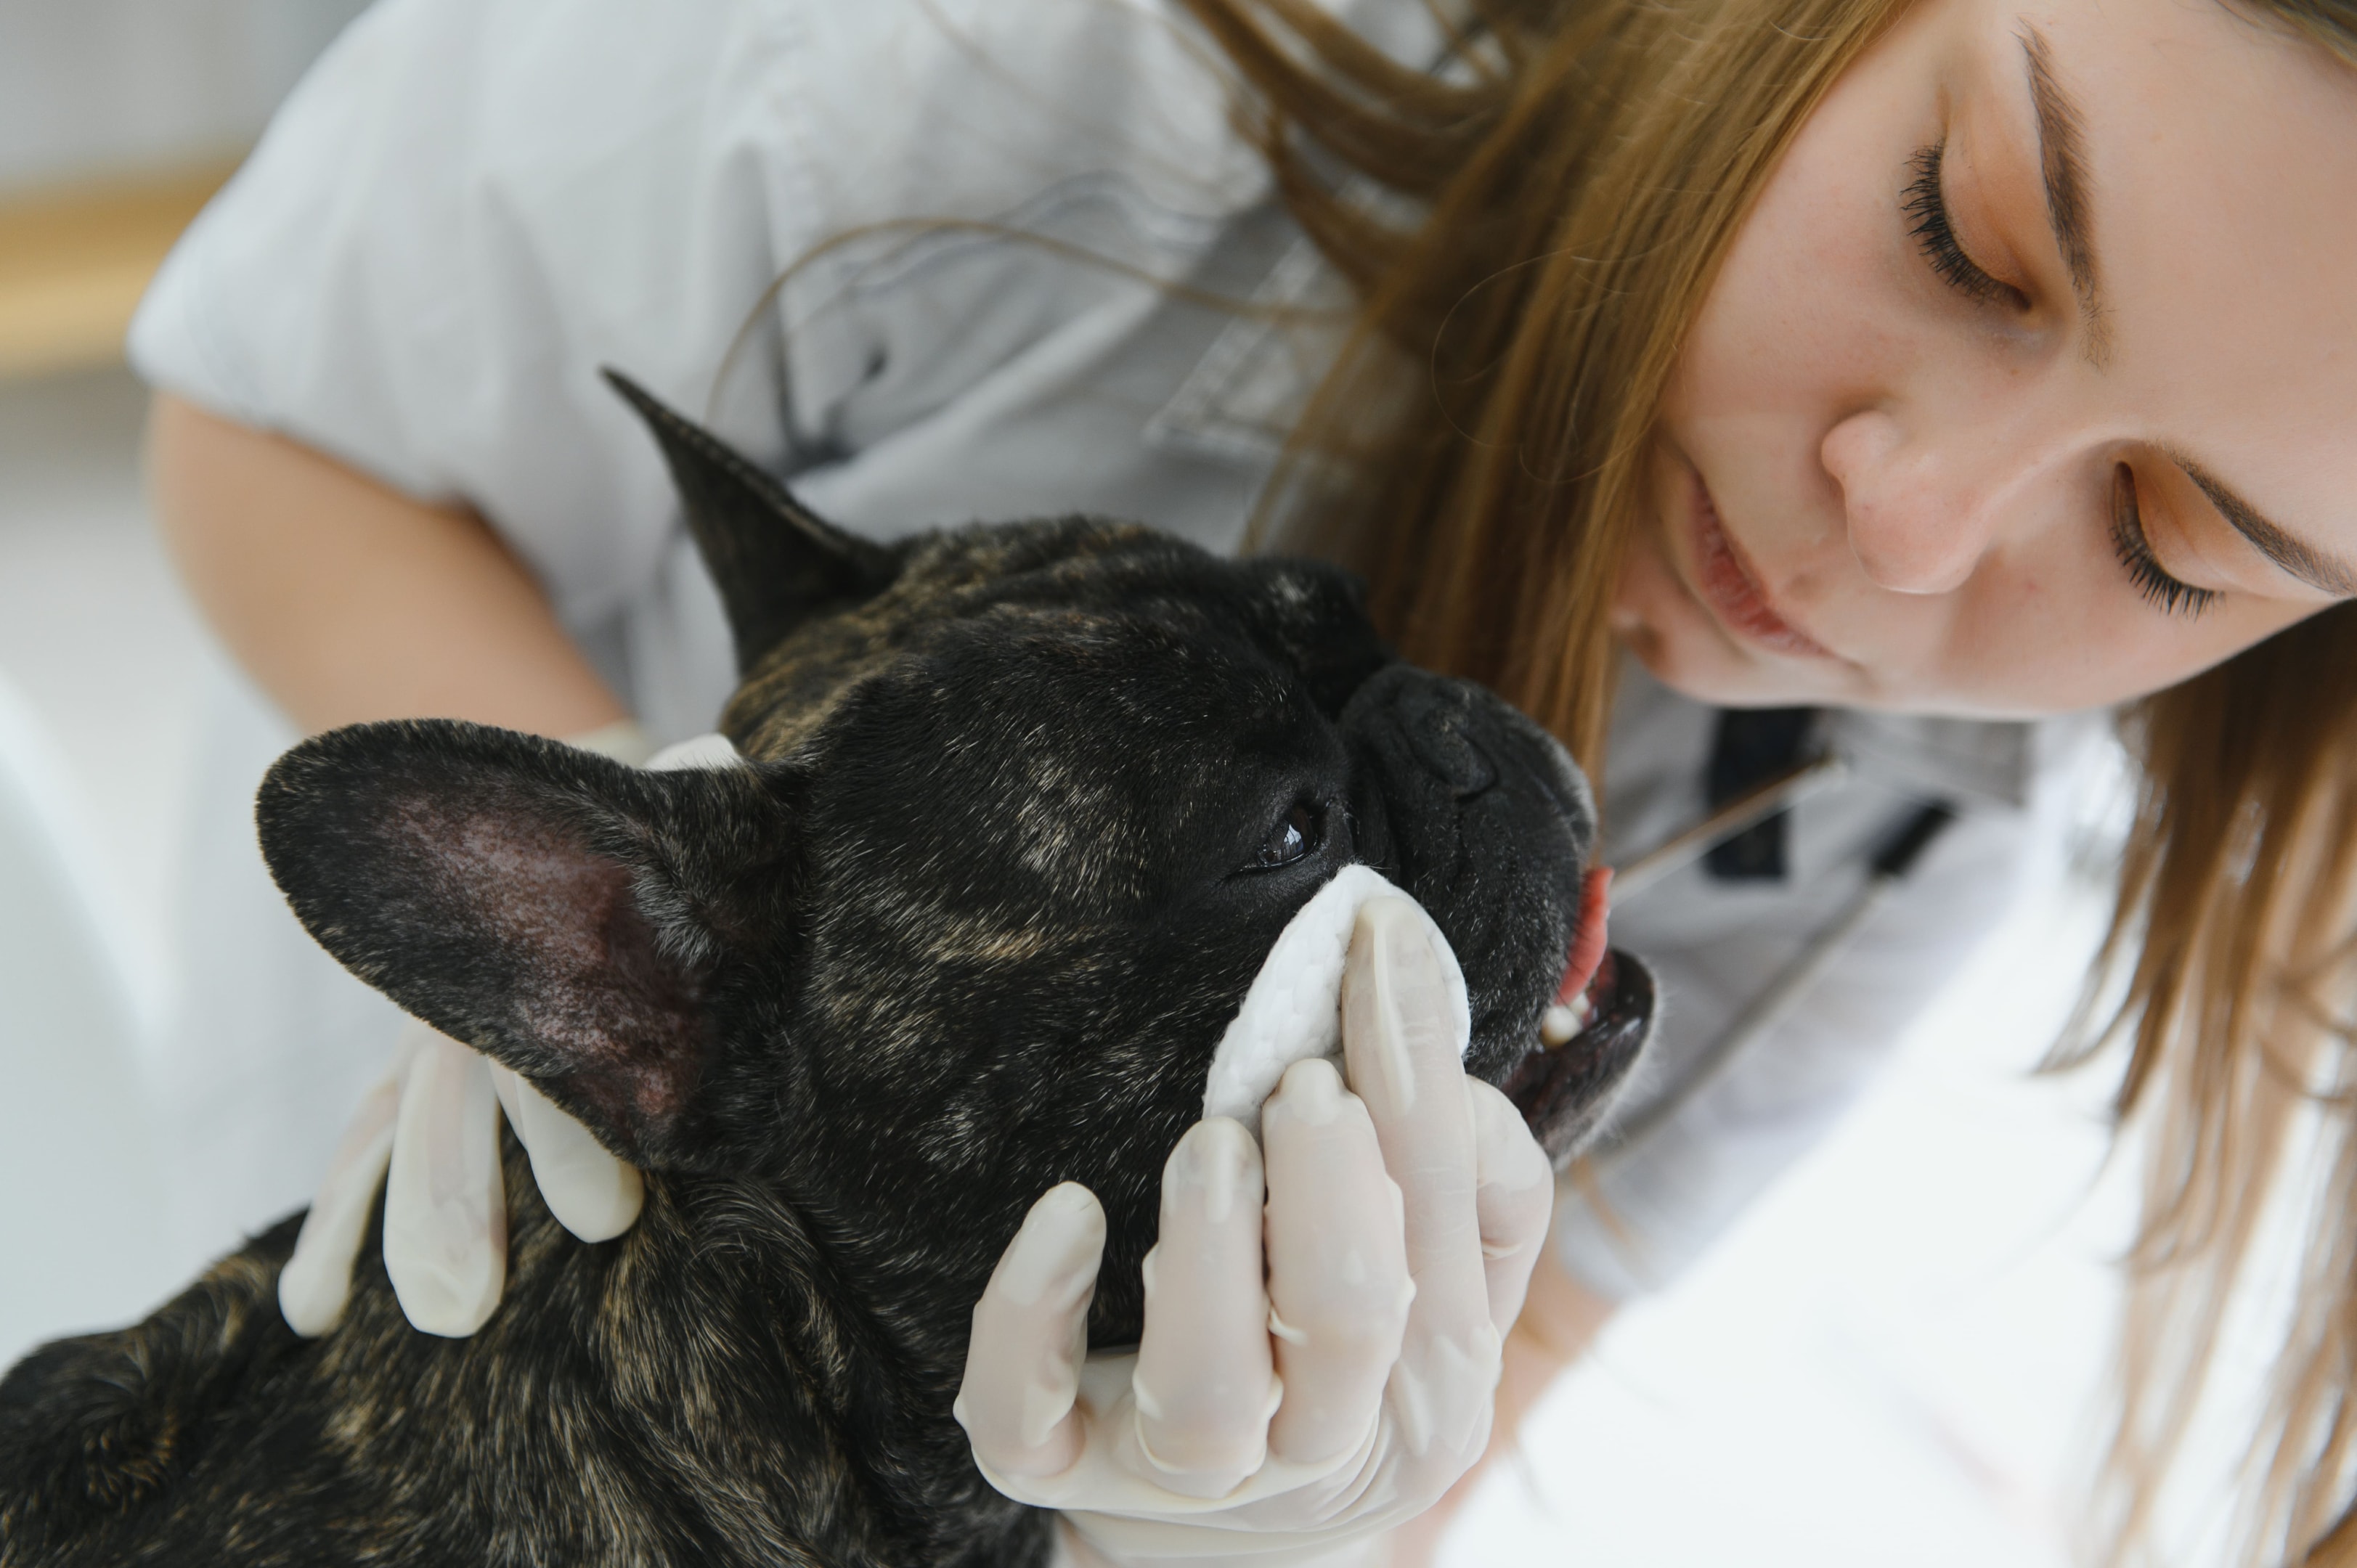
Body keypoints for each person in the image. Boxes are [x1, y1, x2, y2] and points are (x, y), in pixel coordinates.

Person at [125, 0, 2357, 1560]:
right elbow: (279, 422)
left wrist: (1258, 1520)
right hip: (311, 1198)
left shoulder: (1878, 836)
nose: (1910, 515)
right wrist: (619, 926)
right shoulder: (1041, 61)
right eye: (1964, 231)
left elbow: (1449, 1448)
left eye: (2171, 543)